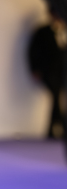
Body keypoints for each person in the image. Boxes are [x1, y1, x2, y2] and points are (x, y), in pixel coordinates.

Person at [27, 9, 65, 139]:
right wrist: (35, 69)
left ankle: (56, 127)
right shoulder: (43, 32)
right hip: (48, 72)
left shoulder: (63, 31)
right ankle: (57, 126)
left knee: (58, 98)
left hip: (62, 73)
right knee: (56, 95)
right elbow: (33, 51)